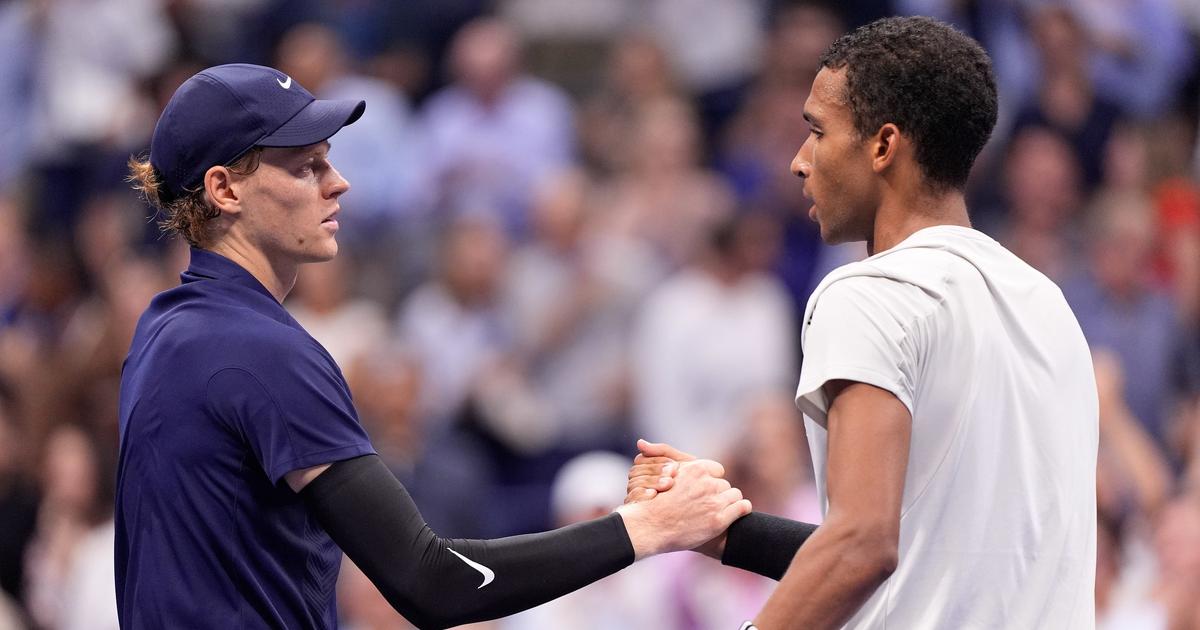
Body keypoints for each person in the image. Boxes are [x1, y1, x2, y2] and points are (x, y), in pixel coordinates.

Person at [115, 63, 752, 629]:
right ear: (225, 190)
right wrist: (645, 529)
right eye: (306, 165)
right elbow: (432, 582)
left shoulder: (163, 330)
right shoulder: (260, 349)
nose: (339, 183)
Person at [630, 16, 1098, 629]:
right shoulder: (1048, 303)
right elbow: (925, 555)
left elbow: (863, 547)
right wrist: (726, 530)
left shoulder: (868, 294)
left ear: (882, 146)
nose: (799, 162)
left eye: (818, 132)